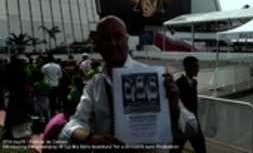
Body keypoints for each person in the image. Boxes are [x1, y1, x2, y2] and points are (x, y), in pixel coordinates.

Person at [59, 15, 179, 149]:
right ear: (97, 44)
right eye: (105, 38)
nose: (112, 43)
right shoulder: (93, 86)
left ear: (127, 40)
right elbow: (74, 124)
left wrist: (174, 105)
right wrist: (89, 138)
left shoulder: (155, 78)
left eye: (118, 37)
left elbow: (188, 125)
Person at [175, 56, 206, 153]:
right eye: (195, 66)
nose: (198, 69)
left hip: (193, 122)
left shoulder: (194, 83)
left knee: (201, 147)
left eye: (198, 66)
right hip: (182, 124)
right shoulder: (178, 84)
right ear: (187, 67)